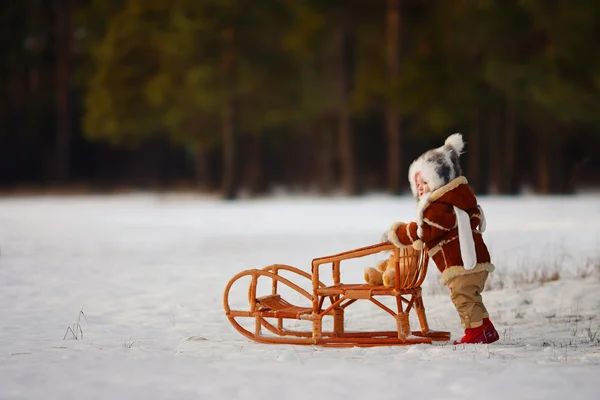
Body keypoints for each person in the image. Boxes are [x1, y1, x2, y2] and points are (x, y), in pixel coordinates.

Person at [385, 133, 499, 344]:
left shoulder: (441, 206)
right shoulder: (460, 199)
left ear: (440, 180)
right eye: (416, 184)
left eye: (425, 182)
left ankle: (474, 333)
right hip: (475, 261)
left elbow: (426, 230)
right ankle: (486, 328)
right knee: (472, 296)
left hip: (462, 263)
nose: (419, 188)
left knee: (463, 298)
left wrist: (400, 233)